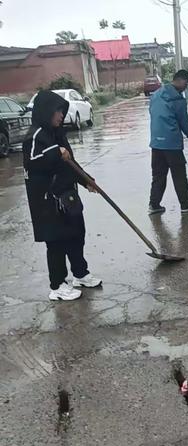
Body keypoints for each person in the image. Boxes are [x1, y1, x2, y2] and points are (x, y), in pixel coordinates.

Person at [23, 90, 101, 301]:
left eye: (62, 111)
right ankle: (57, 285)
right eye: (57, 111)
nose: (61, 115)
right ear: (46, 111)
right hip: (48, 201)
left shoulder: (58, 134)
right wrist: (55, 152)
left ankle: (80, 274)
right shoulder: (35, 135)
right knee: (56, 242)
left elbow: (70, 164)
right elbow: (33, 162)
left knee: (76, 234)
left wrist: (86, 181)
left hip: (68, 196)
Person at [149, 69, 188, 215]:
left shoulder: (156, 95)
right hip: (171, 144)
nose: (186, 86)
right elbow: (184, 124)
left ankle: (154, 205)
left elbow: (153, 114)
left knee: (158, 175)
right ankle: (186, 205)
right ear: (179, 80)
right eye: (186, 83)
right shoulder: (178, 100)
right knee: (179, 175)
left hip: (156, 143)